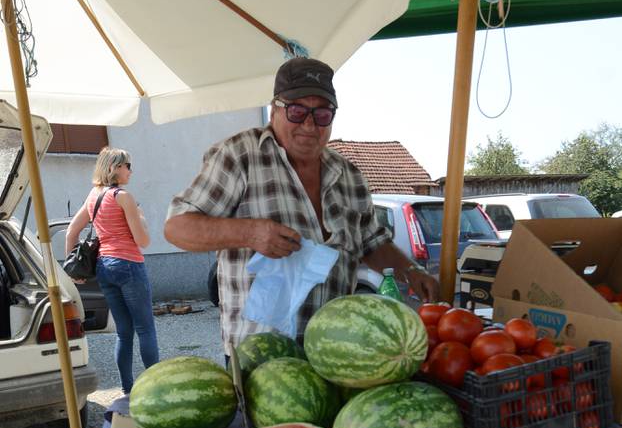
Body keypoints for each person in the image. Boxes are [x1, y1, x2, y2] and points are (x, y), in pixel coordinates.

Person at [165, 57, 439, 354]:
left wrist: (411, 272)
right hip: (260, 358)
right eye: (297, 111)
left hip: (334, 354)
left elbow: (371, 243)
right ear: (274, 111)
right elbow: (178, 228)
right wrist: (249, 233)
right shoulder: (239, 155)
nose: (309, 124)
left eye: (322, 114)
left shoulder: (350, 176)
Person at [65, 147, 159, 395]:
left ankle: (128, 390)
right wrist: (140, 216)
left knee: (124, 332)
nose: (130, 170)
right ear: (114, 167)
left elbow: (71, 232)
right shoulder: (123, 197)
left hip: (105, 267)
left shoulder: (93, 196)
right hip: (128, 265)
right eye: (127, 165)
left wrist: (71, 264)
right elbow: (143, 240)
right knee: (146, 328)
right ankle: (158, 389)